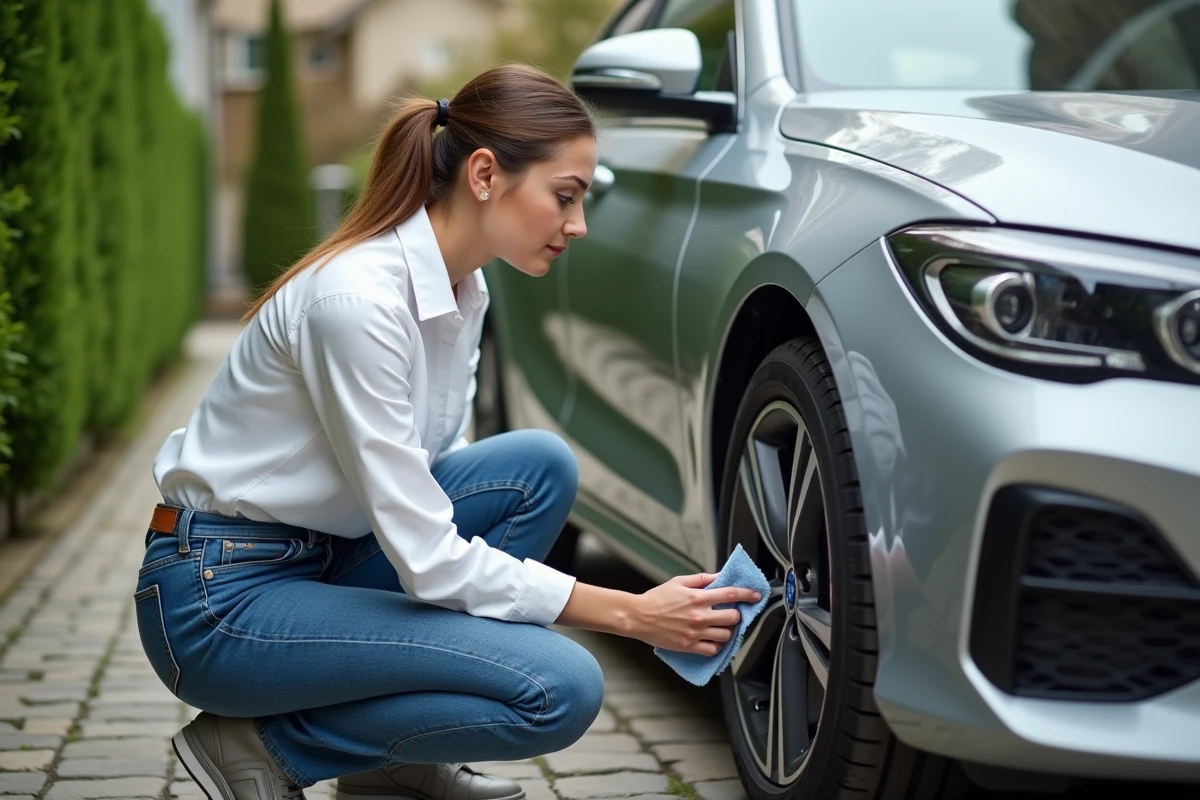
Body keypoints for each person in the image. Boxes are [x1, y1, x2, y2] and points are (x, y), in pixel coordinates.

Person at [135, 64, 763, 800]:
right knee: (558, 686)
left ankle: (388, 768)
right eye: (565, 196)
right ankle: (259, 747)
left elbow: (432, 491)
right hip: (220, 599)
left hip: (321, 561)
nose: (579, 225)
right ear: (486, 174)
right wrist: (631, 612)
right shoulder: (358, 302)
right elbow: (429, 560)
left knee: (537, 467)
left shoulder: (465, 289)